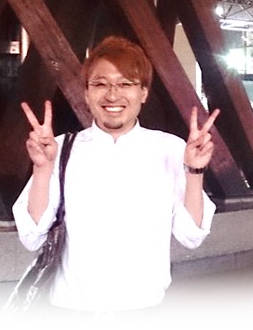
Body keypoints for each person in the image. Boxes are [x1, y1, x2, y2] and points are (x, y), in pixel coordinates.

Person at [12, 35, 220, 319]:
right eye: (100, 84)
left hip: (144, 310)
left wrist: (194, 172)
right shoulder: (59, 149)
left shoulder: (171, 149)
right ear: (86, 93)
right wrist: (42, 169)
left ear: (143, 92)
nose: (112, 95)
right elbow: (31, 237)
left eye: (125, 84)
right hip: (70, 310)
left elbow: (191, 236)